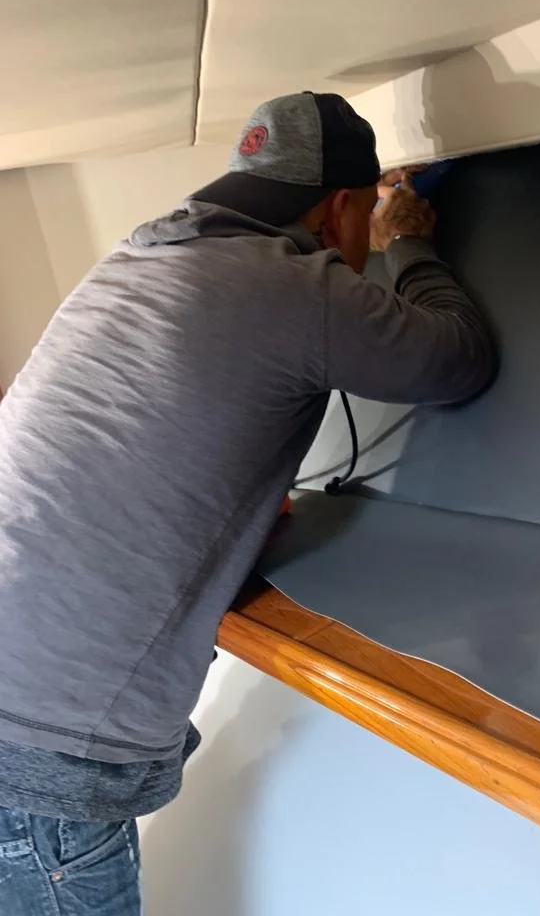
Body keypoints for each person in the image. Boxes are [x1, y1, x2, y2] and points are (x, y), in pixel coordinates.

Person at [0, 91, 494, 914]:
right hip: (41, 748)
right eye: (362, 216)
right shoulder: (287, 285)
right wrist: (408, 240)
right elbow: (458, 359)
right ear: (340, 206)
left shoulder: (140, 253)